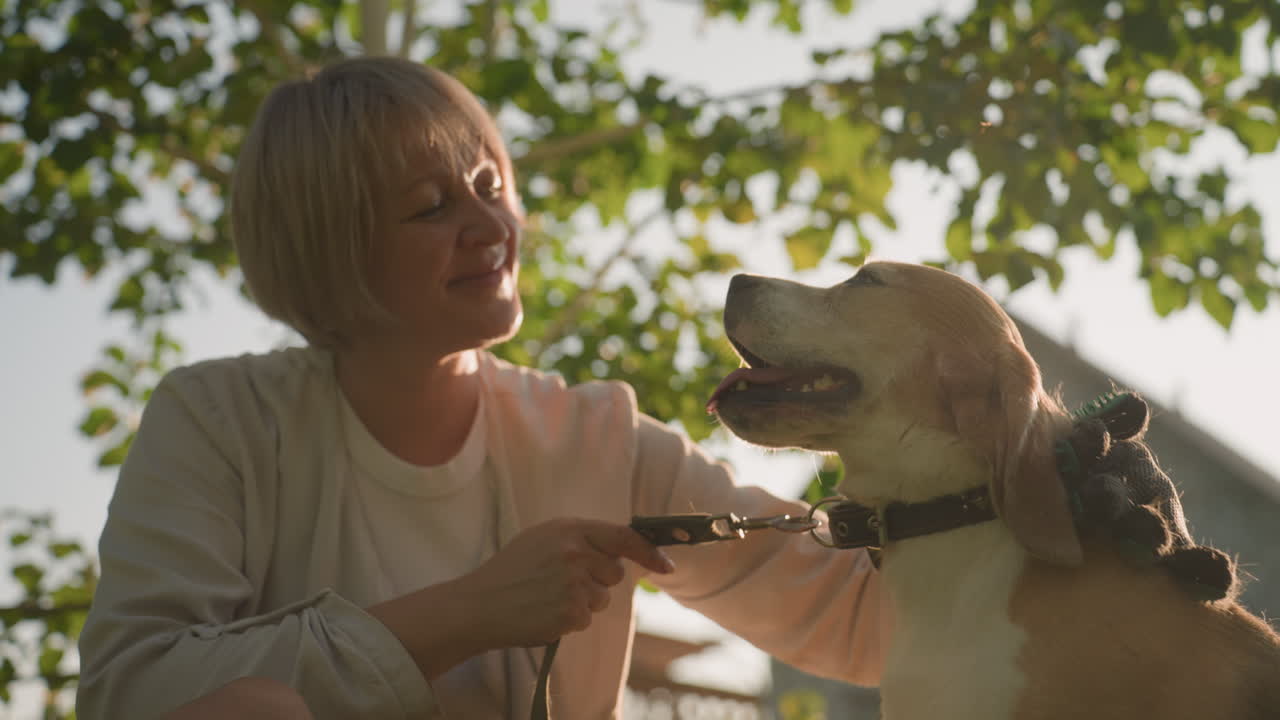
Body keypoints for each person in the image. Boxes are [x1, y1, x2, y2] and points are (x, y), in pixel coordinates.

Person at [75, 56, 1203, 720]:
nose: (491, 226)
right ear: (328, 252)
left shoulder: (598, 436)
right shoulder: (218, 420)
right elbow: (135, 692)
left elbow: (869, 624)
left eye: (490, 184)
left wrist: (1029, 492)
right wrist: (467, 613)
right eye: (431, 207)